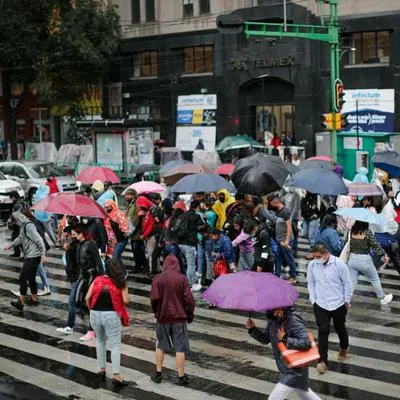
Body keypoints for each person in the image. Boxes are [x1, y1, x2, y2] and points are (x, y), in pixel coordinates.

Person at [247, 308, 321, 400]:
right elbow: (266, 339)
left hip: (295, 369)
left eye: (272, 309)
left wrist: (285, 339)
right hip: (285, 367)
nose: (269, 311)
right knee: (305, 394)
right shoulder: (273, 320)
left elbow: (306, 342)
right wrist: (253, 329)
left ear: (281, 307)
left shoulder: (293, 320)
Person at [307, 242, 352, 374]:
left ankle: (344, 347)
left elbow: (347, 283)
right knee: (323, 331)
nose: (316, 259)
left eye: (318, 256)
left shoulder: (339, 265)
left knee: (340, 328)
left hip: (338, 303)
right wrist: (313, 300)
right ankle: (322, 361)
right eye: (314, 257)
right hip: (321, 304)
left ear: (326, 253)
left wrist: (346, 301)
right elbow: (311, 283)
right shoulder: (312, 265)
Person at [150, 254, 195, 385]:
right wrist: (189, 315)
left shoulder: (157, 279)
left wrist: (157, 312)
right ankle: (181, 376)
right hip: (179, 318)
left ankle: (158, 374)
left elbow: (154, 299)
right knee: (180, 348)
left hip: (162, 318)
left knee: (160, 345)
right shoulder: (182, 278)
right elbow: (189, 299)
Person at [86, 259, 130, 386]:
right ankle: (116, 375)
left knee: (100, 341)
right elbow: (126, 300)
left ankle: (102, 369)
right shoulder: (121, 282)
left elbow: (87, 297)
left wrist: (92, 310)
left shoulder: (97, 280)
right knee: (115, 344)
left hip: (95, 314)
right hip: (111, 315)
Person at [6, 211, 46, 311]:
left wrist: (43, 254)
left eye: (15, 221)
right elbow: (20, 238)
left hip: (33, 255)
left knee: (23, 276)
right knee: (31, 277)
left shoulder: (29, 226)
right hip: (30, 255)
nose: (14, 223)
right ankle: (34, 298)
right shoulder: (23, 226)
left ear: (18, 219)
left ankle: (21, 301)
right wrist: (10, 245)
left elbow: (39, 239)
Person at [347, 221, 393, 305]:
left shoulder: (352, 231)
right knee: (374, 279)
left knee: (352, 282)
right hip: (364, 260)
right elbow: (375, 245)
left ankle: (346, 301)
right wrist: (384, 254)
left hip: (352, 259)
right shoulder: (367, 232)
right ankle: (382, 298)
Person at [73, 224, 104, 341]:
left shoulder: (91, 244)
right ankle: (96, 321)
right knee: (78, 301)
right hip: (83, 275)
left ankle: (92, 330)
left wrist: (102, 277)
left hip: (92, 276)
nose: (74, 236)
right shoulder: (77, 244)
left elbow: (98, 261)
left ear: (81, 234)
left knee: (89, 302)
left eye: (75, 234)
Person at [177, 200, 207, 291]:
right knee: (191, 264)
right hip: (189, 243)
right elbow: (203, 226)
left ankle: (193, 280)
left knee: (189, 262)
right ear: (197, 207)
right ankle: (189, 284)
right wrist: (204, 219)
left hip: (180, 242)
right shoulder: (196, 216)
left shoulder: (184, 214)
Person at [56, 224, 80, 335]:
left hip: (77, 277)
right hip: (73, 277)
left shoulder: (76, 245)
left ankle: (70, 326)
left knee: (71, 303)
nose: (63, 236)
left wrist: (68, 249)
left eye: (66, 234)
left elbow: (76, 262)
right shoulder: (71, 244)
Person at [269, 194, 297, 283]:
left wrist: (287, 241)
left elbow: (289, 227)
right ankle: (277, 275)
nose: (271, 205)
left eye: (271, 203)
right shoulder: (278, 211)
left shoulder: (285, 212)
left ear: (275, 202)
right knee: (278, 258)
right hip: (279, 240)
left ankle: (293, 276)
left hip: (285, 240)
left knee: (289, 258)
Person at [136, 196, 156, 276]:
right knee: (149, 253)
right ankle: (154, 269)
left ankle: (152, 271)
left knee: (150, 254)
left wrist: (144, 235)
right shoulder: (144, 213)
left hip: (151, 235)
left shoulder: (151, 212)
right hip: (147, 236)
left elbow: (151, 225)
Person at [7, 191, 23, 257]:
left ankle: (23, 254)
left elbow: (16, 215)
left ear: (13, 197)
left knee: (18, 238)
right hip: (20, 223)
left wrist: (11, 222)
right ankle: (17, 252)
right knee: (14, 237)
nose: (11, 200)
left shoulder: (17, 205)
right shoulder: (21, 201)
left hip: (18, 224)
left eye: (11, 198)